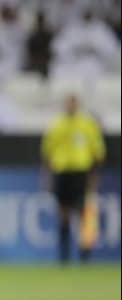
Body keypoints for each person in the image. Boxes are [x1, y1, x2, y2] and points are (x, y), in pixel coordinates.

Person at [41, 94, 105, 264]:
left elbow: (97, 153)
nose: (70, 107)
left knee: (83, 213)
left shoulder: (87, 125)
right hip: (61, 171)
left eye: (73, 104)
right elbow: (47, 153)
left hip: (80, 172)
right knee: (63, 213)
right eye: (68, 104)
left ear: (78, 105)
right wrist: (46, 177)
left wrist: (94, 176)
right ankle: (64, 255)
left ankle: (85, 254)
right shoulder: (56, 125)